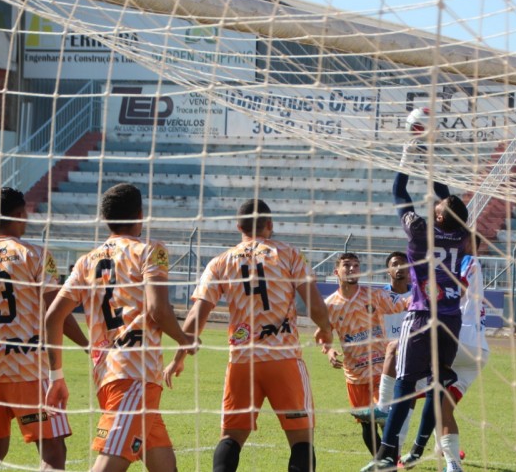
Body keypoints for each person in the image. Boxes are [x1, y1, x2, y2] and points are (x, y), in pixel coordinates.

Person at [163, 198, 333, 472]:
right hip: (283, 358)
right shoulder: (289, 254)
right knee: (301, 440)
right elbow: (314, 306)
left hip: (242, 361)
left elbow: (197, 315)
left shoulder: (221, 262)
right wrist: (326, 329)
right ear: (270, 224)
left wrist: (178, 356)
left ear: (238, 226)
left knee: (231, 437)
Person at [44, 183, 195, 472]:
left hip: (107, 374)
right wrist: (183, 339)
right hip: (136, 374)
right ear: (140, 214)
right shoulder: (150, 251)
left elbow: (53, 317)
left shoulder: (86, 261)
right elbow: (157, 309)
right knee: (109, 465)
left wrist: (56, 377)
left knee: (165, 463)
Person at [0, 187, 89, 472]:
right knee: (53, 451)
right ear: (18, 214)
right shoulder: (36, 255)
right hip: (29, 370)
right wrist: (88, 345)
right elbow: (57, 313)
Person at [363, 111, 471, 472]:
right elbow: (446, 196)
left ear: (439, 215)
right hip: (452, 320)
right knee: (438, 384)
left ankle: (386, 457)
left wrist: (411, 152)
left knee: (406, 383)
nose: (436, 202)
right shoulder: (461, 235)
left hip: (423, 316)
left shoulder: (419, 230)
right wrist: (432, 156)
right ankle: (445, 459)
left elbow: (398, 191)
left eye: (439, 206)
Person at [400, 250, 490, 469]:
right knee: (442, 408)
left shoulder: (464, 260)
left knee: (405, 384)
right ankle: (452, 463)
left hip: (455, 340)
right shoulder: (470, 265)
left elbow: (455, 290)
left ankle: (397, 445)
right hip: (477, 349)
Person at [321, 252, 408, 456]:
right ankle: (382, 465)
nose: (352, 269)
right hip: (355, 376)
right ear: (336, 272)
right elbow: (323, 333)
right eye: (347, 265)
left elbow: (402, 303)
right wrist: (329, 349)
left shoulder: (374, 296)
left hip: (380, 371)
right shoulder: (330, 305)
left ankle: (389, 464)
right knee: (366, 426)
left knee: (386, 420)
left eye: (356, 265)